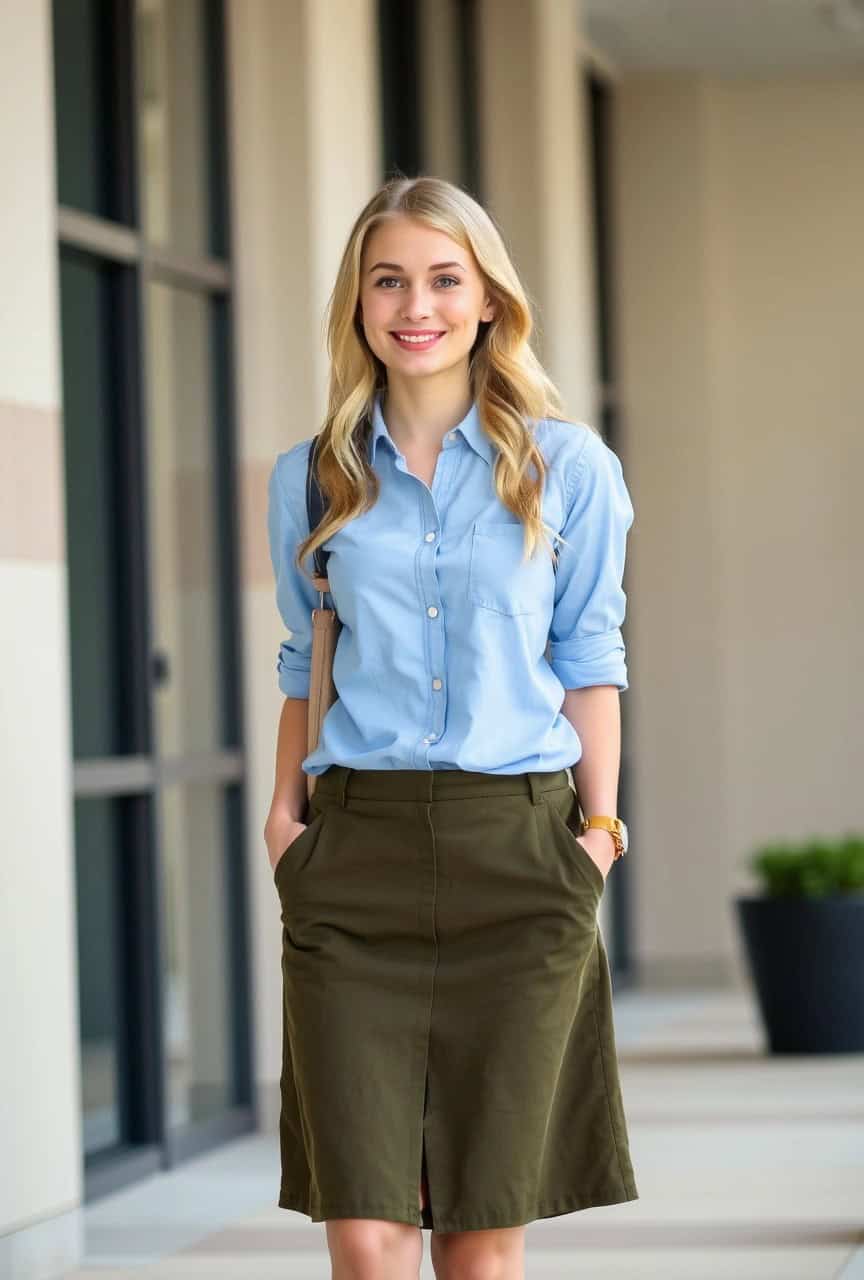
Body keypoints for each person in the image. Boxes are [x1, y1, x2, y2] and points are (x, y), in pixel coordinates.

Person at [264, 175, 638, 1280]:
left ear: (487, 301)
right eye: (389, 280)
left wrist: (601, 835)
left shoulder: (569, 468)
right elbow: (304, 663)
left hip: (520, 854)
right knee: (368, 1237)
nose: (413, 304)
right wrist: (289, 826)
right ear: (359, 302)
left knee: (480, 1234)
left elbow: (592, 662)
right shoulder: (313, 476)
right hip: (356, 859)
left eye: (442, 278)